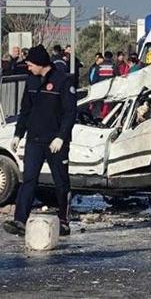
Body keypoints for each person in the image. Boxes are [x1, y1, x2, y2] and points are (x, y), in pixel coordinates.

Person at [2, 45, 76, 237]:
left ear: (41, 64)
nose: (28, 68)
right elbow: (25, 110)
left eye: (31, 65)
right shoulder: (32, 80)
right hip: (35, 139)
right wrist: (18, 134)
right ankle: (20, 220)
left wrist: (61, 136)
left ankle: (63, 219)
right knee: (28, 180)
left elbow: (70, 113)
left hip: (55, 142)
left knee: (61, 182)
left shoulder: (63, 81)